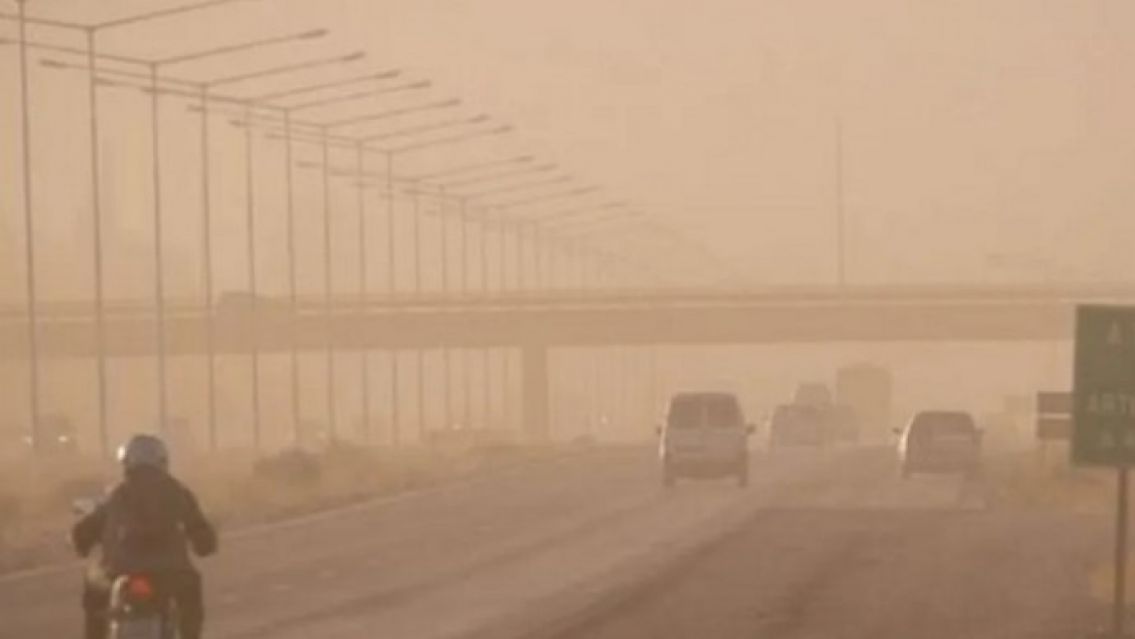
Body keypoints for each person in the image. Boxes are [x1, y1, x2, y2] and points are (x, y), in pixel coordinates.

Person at [72, 434, 218, 639]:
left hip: (120, 571)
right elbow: (201, 532)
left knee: (95, 596)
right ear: (162, 462)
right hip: (170, 572)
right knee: (191, 599)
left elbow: (87, 529)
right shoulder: (176, 492)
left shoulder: (117, 494)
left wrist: (82, 543)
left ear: (127, 463)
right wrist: (205, 544)